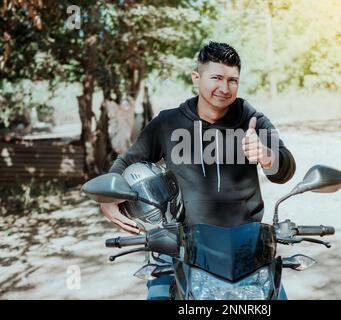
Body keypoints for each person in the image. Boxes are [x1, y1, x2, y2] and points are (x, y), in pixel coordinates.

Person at [101, 41, 296, 299]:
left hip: (246, 248)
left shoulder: (253, 120)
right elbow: (124, 164)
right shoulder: (167, 122)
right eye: (216, 77)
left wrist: (267, 156)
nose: (224, 88)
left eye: (232, 80)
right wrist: (107, 199)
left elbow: (286, 166)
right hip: (180, 245)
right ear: (196, 77)